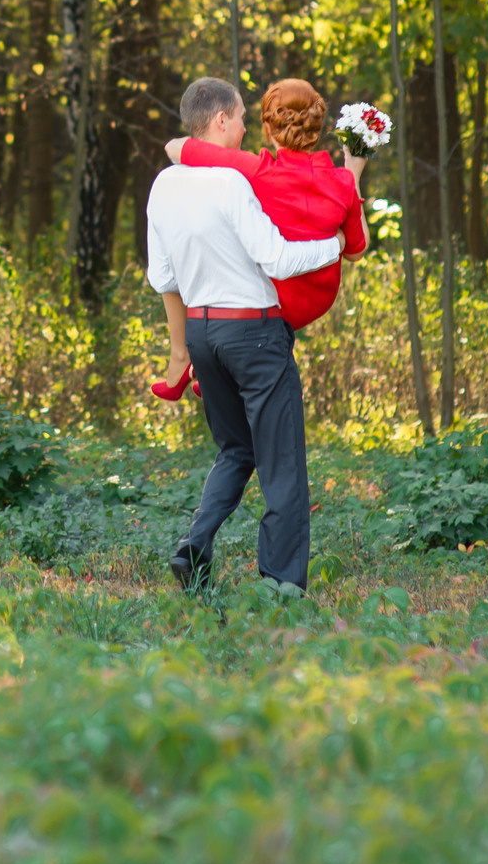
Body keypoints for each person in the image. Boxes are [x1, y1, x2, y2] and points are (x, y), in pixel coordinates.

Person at [144, 76, 351, 596]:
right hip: (255, 334)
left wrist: (179, 352)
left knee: (236, 449)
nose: (244, 127)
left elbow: (163, 277)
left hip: (202, 334)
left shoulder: (163, 186)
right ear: (220, 121)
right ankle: (281, 586)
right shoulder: (236, 184)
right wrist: (335, 243)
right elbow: (278, 257)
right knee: (282, 464)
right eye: (238, 118)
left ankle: (194, 547)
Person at [159, 77, 368, 350]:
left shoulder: (258, 171)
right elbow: (356, 250)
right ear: (318, 127)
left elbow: (177, 148)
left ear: (268, 129)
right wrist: (353, 174)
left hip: (271, 301)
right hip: (316, 301)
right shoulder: (342, 182)